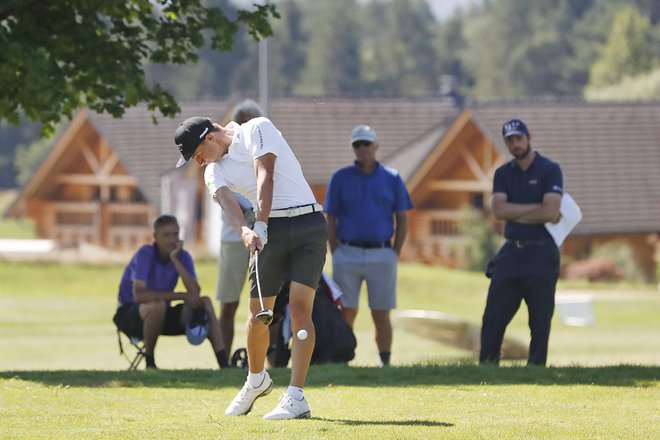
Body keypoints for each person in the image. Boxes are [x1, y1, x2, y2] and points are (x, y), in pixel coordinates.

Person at [173, 114, 327, 420]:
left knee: (299, 309)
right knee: (258, 316)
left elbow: (264, 175)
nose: (199, 163)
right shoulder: (214, 171)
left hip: (308, 223)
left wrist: (260, 222)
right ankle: (256, 379)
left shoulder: (257, 128)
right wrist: (245, 230)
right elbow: (229, 203)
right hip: (269, 229)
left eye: (198, 155)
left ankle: (296, 396)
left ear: (210, 138)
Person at [324, 124, 413, 367]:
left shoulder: (392, 178)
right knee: (347, 311)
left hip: (382, 253)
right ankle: (343, 359)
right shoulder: (340, 178)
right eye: (357, 145)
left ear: (376, 146)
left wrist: (394, 253)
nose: (362, 149)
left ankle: (385, 362)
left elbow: (403, 217)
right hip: (348, 253)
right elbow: (330, 217)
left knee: (381, 313)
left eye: (366, 144)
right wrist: (336, 251)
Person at [479, 118, 563, 366]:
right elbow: (498, 210)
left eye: (519, 138)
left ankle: (535, 370)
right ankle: (487, 369)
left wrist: (515, 211)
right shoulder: (503, 173)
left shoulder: (550, 169)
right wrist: (537, 209)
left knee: (539, 320)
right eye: (510, 140)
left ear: (529, 137)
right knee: (493, 317)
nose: (515, 143)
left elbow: (551, 211)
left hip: (542, 253)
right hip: (512, 250)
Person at [113, 215, 229, 369]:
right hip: (130, 315)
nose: (172, 240)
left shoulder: (183, 256)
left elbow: (194, 293)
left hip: (161, 314)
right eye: (166, 235)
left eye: (175, 235)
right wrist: (180, 296)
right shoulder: (145, 254)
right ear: (155, 237)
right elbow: (139, 295)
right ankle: (150, 363)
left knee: (205, 301)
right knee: (157, 306)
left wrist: (175, 260)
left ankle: (224, 365)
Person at [214, 99, 263, 358]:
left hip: (263, 235)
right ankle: (223, 359)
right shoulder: (223, 158)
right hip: (233, 238)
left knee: (267, 302)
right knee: (229, 303)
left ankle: (271, 358)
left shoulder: (262, 153)